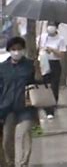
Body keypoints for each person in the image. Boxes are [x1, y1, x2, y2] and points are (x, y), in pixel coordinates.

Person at [0, 37, 37, 167]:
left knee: (23, 135)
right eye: (13, 49)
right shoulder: (2, 67)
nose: (16, 52)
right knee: (7, 139)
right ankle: (10, 163)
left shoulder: (30, 65)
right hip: (8, 108)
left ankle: (23, 163)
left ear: (23, 50)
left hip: (26, 107)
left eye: (19, 49)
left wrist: (39, 70)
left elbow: (39, 82)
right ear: (9, 50)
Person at [38, 22, 66, 119]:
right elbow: (38, 49)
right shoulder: (42, 37)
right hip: (44, 62)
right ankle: (47, 107)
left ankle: (52, 107)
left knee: (54, 86)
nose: (50, 28)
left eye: (52, 26)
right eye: (49, 25)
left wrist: (52, 50)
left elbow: (62, 55)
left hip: (55, 64)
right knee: (45, 85)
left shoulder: (60, 39)